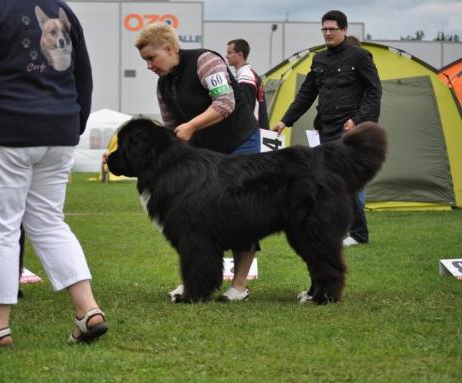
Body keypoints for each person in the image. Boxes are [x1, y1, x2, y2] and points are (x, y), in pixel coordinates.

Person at [0, 0, 108, 348]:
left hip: (3, 132)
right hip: (57, 132)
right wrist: (72, 124)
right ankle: (88, 310)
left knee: (0, 230)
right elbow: (82, 75)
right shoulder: (62, 9)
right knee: (50, 223)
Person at [135, 22, 259, 302]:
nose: (149, 66)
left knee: (243, 213)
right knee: (194, 220)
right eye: (144, 61)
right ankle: (194, 283)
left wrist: (190, 127)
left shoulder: (206, 61)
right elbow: (171, 127)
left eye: (151, 58)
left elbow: (225, 102)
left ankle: (239, 286)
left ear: (169, 48)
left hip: (240, 142)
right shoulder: (163, 84)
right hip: (205, 153)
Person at [272, 10, 382, 247]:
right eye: (325, 29)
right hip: (325, 129)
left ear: (344, 30)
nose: (328, 33)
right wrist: (285, 120)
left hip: (350, 131)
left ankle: (359, 234)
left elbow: (374, 92)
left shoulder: (361, 56)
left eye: (333, 29)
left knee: (345, 181)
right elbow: (307, 93)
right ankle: (339, 230)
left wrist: (357, 120)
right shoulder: (318, 59)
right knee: (327, 182)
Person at [226, 38, 269, 130]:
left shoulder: (246, 77)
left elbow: (245, 111)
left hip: (250, 133)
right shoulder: (251, 74)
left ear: (240, 54)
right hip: (256, 130)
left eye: (229, 53)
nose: (226, 56)